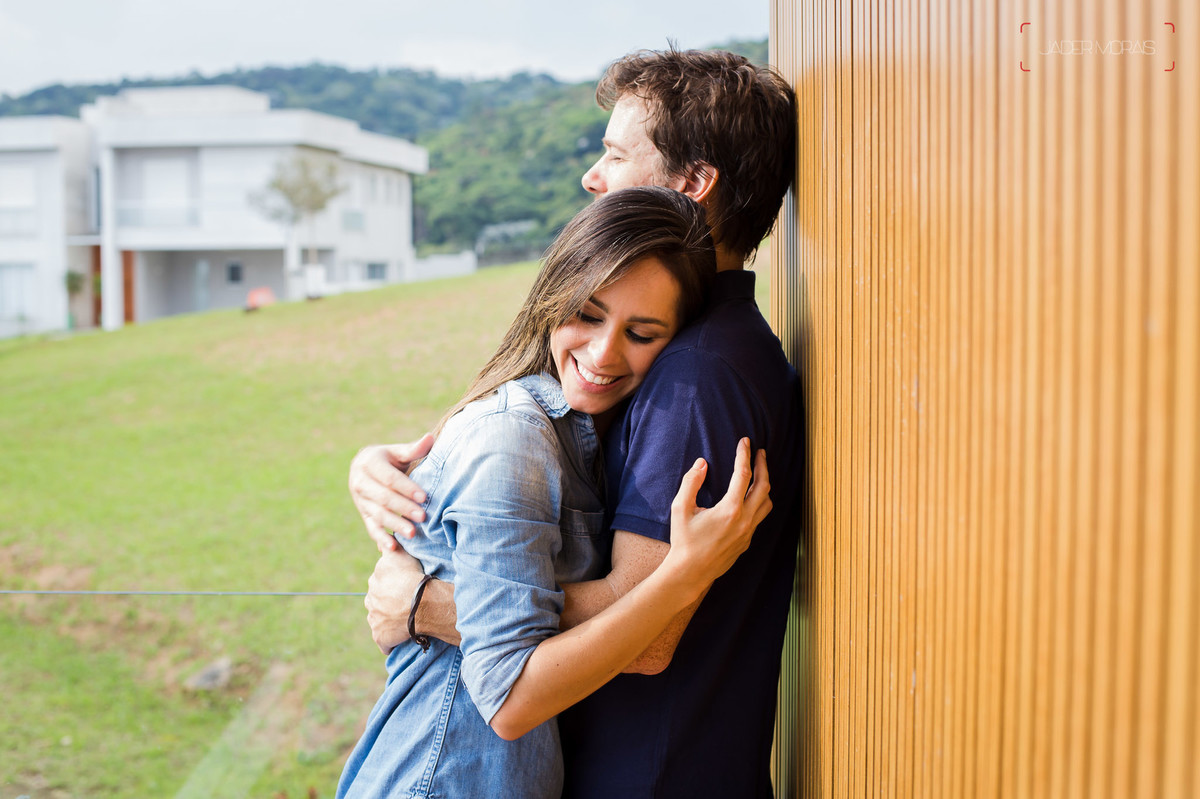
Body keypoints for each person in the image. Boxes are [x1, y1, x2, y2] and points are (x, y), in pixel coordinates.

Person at [351, 47, 802, 797]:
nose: (593, 178)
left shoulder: (693, 374)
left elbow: (649, 628)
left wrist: (433, 602)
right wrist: (395, 469)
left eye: (616, 154)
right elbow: (524, 450)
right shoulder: (675, 347)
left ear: (692, 186)